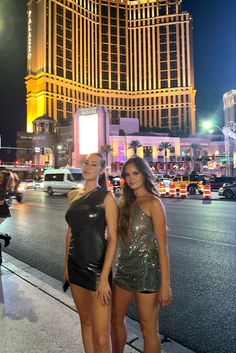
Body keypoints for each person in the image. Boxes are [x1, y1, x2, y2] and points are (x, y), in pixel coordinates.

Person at [111, 156, 172, 353]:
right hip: (123, 273)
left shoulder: (154, 203)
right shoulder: (124, 203)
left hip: (148, 274)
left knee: (149, 329)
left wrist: (165, 285)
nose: (131, 178)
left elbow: (162, 247)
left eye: (135, 173)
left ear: (145, 174)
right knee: (115, 320)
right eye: (127, 175)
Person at [64, 153, 118, 353]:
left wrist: (104, 277)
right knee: (85, 323)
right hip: (75, 266)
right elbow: (70, 232)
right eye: (86, 163)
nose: (87, 167)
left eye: (93, 164)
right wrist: (66, 267)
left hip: (97, 270)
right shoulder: (73, 196)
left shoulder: (107, 197)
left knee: (102, 337)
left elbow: (113, 238)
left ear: (101, 170)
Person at [0, 171, 12, 266]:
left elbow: (8, 201)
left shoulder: (4, 188)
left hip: (2, 213)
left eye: (0, 177)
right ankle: (5, 236)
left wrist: (4, 202)